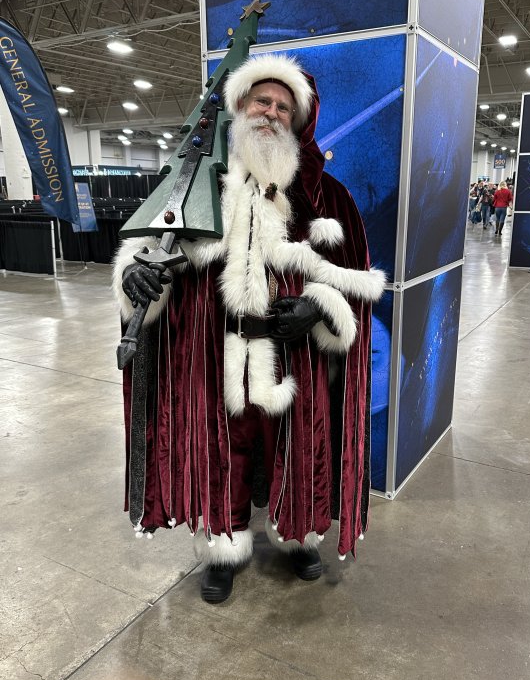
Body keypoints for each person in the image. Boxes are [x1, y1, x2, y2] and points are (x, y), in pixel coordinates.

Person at [112, 54, 385, 603]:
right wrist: (136, 278)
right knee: (218, 449)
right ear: (238, 106)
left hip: (297, 355)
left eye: (284, 107)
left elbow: (356, 284)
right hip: (214, 351)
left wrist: (320, 307)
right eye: (262, 100)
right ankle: (223, 544)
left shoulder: (328, 198)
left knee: (300, 446)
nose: (272, 112)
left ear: (299, 121)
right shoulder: (194, 186)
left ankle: (300, 535)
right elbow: (152, 255)